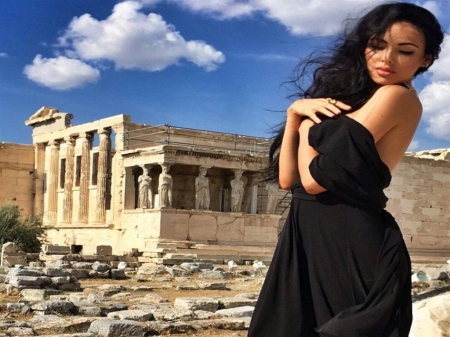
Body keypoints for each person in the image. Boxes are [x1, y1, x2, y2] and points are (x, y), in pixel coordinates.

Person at [248, 3, 443, 337]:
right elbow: (288, 181)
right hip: (308, 236)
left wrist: (308, 121)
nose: (387, 59)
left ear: (424, 60)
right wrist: (295, 115)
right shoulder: (364, 99)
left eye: (405, 51)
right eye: (377, 46)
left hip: (351, 244)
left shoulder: (395, 96)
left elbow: (313, 181)